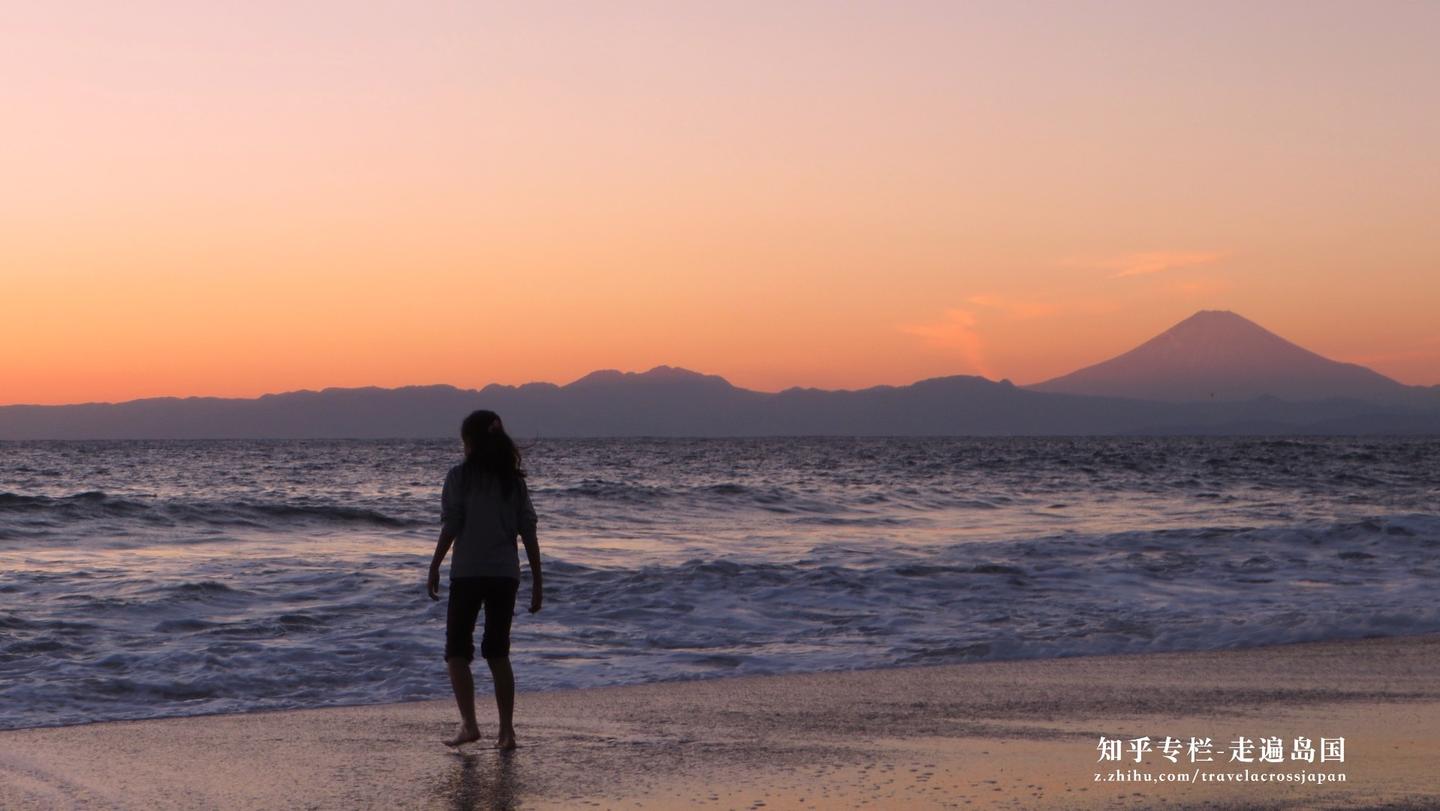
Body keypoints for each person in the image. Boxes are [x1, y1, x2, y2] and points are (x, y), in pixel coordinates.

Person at [427, 409, 542, 749]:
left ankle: (469, 724)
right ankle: (506, 732)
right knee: (497, 651)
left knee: (457, 650)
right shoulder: (513, 482)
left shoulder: (459, 477)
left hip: (468, 573)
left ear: (470, 442)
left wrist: (434, 564)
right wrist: (537, 580)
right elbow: (528, 532)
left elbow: (452, 525)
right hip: (505, 575)